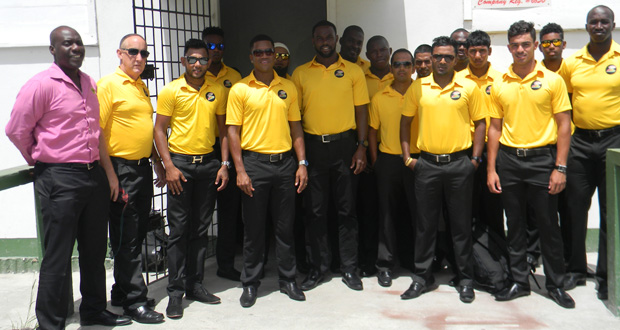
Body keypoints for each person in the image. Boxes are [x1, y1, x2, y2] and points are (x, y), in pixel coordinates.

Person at [5, 26, 132, 329]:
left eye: (78, 43)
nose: (75, 48)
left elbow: (96, 133)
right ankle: (50, 324)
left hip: (92, 176)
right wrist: (39, 160)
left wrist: (109, 176)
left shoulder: (88, 83)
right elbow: (15, 130)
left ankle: (93, 310)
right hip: (59, 178)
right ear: (53, 49)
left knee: (94, 250)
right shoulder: (41, 85)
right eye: (67, 44)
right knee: (58, 256)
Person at [487, 20, 574, 309]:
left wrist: (560, 167)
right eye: (515, 45)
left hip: (542, 161)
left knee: (549, 225)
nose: (520, 49)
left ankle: (555, 285)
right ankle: (519, 282)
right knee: (515, 225)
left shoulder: (552, 80)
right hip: (510, 161)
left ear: (535, 45)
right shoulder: (499, 84)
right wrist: (491, 169)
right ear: (508, 47)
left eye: (526, 44)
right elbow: (495, 129)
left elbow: (564, 125)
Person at [400, 36, 485, 303]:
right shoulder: (418, 87)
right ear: (431, 58)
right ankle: (422, 277)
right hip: (427, 165)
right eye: (438, 56)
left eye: (448, 56)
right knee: (425, 226)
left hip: (460, 165)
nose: (443, 61)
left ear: (455, 59)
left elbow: (481, 123)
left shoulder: (469, 86)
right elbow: (405, 123)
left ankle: (465, 279)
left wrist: (475, 160)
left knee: (460, 226)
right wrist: (407, 158)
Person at [227, 34, 308, 307]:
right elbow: (232, 132)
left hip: (285, 165)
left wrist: (302, 163)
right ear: (251, 57)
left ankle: (288, 280)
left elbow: (296, 127)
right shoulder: (239, 89)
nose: (264, 56)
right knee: (254, 229)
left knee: (285, 228)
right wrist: (240, 170)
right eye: (258, 52)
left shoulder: (288, 87)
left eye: (268, 52)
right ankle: (250, 283)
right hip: (254, 165)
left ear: (275, 56)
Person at [153, 39, 229, 319]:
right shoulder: (172, 90)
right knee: (179, 232)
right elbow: (159, 130)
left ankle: (195, 285)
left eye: (203, 60)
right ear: (183, 61)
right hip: (181, 166)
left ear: (209, 63)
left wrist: (224, 165)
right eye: (192, 59)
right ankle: (175, 293)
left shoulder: (217, 90)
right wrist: (169, 166)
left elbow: (222, 130)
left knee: (200, 229)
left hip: (208, 165)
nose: (198, 64)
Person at [292, 20, 370, 291]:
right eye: (319, 37)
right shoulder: (300, 74)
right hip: (314, 148)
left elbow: (362, 110)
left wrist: (362, 146)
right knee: (314, 211)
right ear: (313, 40)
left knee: (347, 210)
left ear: (336, 39)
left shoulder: (353, 72)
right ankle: (317, 268)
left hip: (345, 146)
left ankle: (349, 268)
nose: (324, 40)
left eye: (328, 36)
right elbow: (295, 118)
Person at [97, 33, 165, 323]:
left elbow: (143, 129)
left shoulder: (140, 87)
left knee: (136, 234)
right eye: (133, 52)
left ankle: (122, 291)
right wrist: (111, 176)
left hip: (140, 168)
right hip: (120, 169)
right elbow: (96, 133)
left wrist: (157, 162)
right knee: (126, 238)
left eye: (144, 54)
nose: (140, 58)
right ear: (120, 54)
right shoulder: (108, 86)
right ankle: (135, 302)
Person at [561, 5, 619, 300]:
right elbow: (564, 103)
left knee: (612, 212)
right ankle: (576, 270)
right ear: (586, 26)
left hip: (615, 141)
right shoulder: (572, 62)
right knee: (575, 208)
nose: (599, 26)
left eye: (604, 21)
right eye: (594, 22)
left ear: (613, 24)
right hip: (580, 143)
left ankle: (608, 276)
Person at [369, 48, 418, 287]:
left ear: (413, 68)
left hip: (417, 160)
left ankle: (415, 262)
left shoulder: (422, 93)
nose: (401, 68)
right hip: (388, 160)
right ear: (391, 68)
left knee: (417, 214)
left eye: (406, 64)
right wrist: (375, 160)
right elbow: (372, 131)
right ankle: (385, 265)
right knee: (386, 215)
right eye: (397, 64)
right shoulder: (380, 97)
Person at [201, 26, 243, 282]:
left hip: (228, 147)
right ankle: (191, 270)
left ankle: (225, 264)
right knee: (201, 212)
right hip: (203, 149)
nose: (215, 51)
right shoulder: (195, 76)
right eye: (210, 46)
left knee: (229, 211)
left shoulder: (235, 77)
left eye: (220, 46)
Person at [526, 22, 569, 271]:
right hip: (539, 150)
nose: (550, 46)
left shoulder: (572, 70)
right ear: (539, 46)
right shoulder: (533, 72)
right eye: (546, 42)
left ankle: (566, 260)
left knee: (565, 204)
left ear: (563, 44)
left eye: (555, 42)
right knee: (536, 208)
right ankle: (533, 254)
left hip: (567, 145)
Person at [461, 30, 505, 238]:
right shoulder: (456, 79)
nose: (477, 56)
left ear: (490, 51)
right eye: (472, 51)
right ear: (466, 52)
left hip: (492, 150)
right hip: (464, 149)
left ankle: (496, 260)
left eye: (481, 51)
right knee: (466, 207)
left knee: (493, 204)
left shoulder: (501, 80)